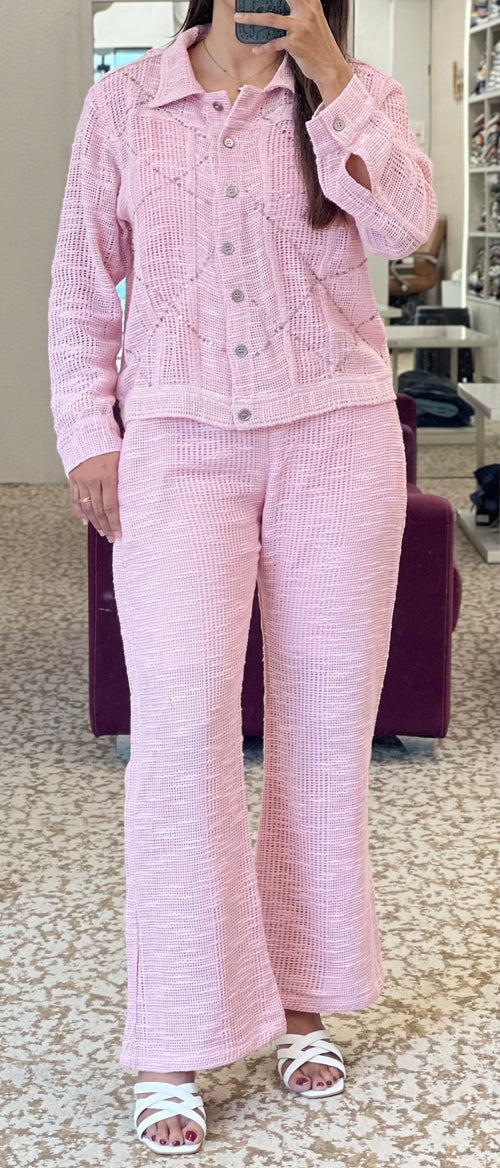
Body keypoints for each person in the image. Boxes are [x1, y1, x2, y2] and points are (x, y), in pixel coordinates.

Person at [48, 0, 437, 1155]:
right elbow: (81, 287)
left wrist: (324, 69)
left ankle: (303, 997)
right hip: (177, 443)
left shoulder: (352, 91)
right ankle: (174, 1030)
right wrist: (89, 436)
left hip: (337, 439)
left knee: (322, 728)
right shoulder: (123, 104)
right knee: (178, 733)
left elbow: (405, 225)